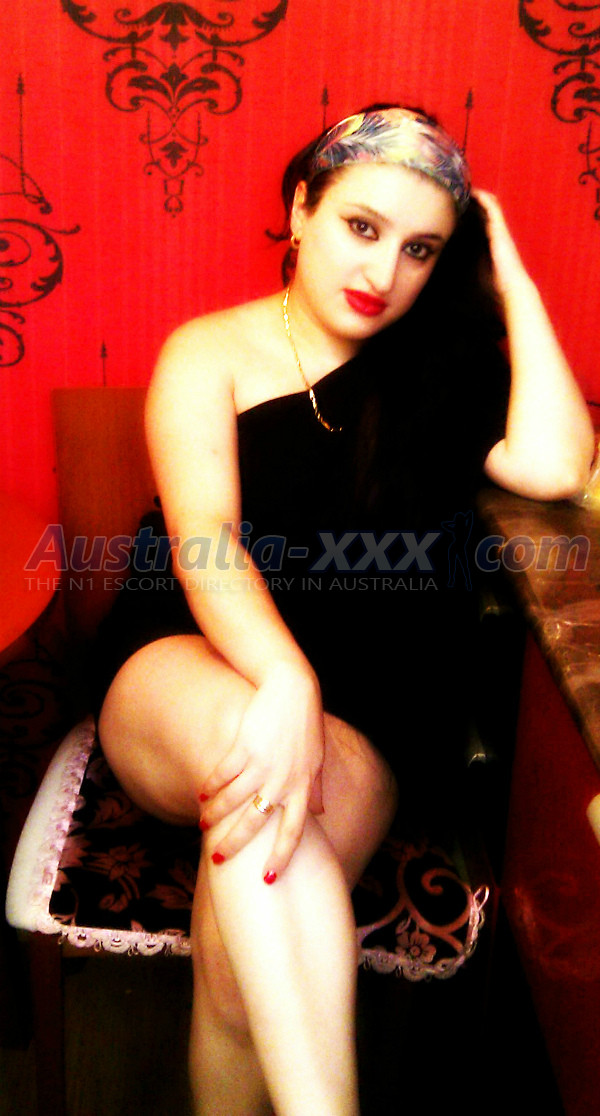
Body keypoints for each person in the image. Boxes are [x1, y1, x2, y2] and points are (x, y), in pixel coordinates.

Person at [94, 106, 594, 1115]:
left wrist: (513, 276)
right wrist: (284, 678)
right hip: (189, 662)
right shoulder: (208, 351)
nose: (384, 271)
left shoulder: (444, 373)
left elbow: (553, 464)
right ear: (301, 209)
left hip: (364, 715)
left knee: (240, 980)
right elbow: (205, 541)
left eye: (421, 249)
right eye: (362, 227)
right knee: (249, 746)